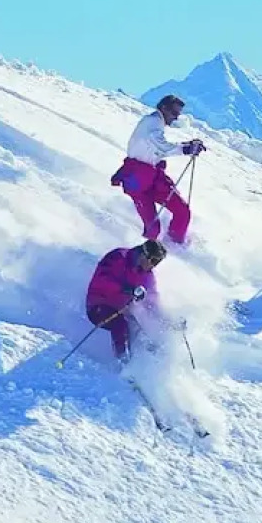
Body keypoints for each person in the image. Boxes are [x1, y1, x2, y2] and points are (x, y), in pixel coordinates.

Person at [110, 94, 205, 245]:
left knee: (181, 211)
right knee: (157, 226)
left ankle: (172, 246)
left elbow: (157, 146)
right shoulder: (153, 121)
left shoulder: (155, 123)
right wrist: (186, 149)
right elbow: (161, 146)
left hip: (152, 178)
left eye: (178, 115)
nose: (175, 118)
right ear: (163, 108)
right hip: (138, 181)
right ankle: (151, 255)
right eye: (174, 113)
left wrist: (187, 145)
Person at [84, 239, 167, 361]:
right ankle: (123, 362)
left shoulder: (147, 275)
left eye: (157, 263)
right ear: (144, 254)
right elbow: (102, 279)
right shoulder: (119, 257)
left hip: (120, 310)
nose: (153, 266)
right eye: (154, 261)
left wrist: (169, 322)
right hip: (98, 305)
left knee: (139, 332)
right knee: (120, 324)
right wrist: (125, 288)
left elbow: (152, 300)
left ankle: (151, 363)